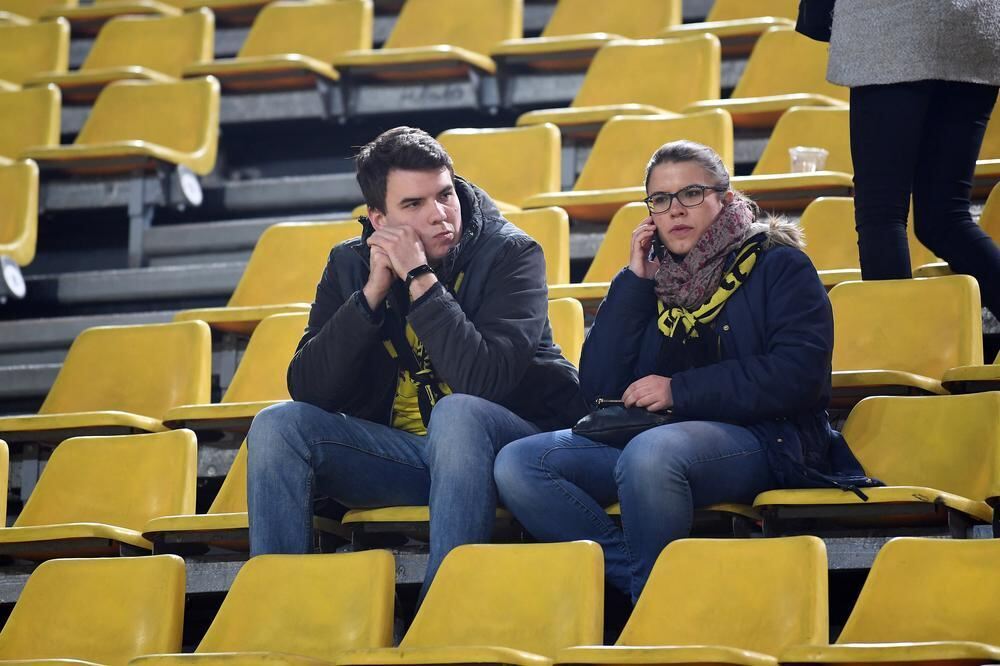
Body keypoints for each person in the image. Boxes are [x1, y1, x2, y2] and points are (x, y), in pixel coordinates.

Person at [494, 141, 874, 603]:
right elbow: (597, 390)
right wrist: (633, 284)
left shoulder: (779, 265)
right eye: (660, 199)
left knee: (652, 454)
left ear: (725, 199)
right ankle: (651, 592)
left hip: (767, 439)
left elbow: (800, 376)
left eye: (691, 194)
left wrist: (680, 390)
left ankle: (654, 607)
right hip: (656, 438)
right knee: (520, 463)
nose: (675, 210)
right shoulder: (653, 280)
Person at [246, 126, 587, 599]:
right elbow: (309, 388)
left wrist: (420, 278)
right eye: (414, 205)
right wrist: (371, 296)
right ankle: (276, 609)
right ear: (379, 218)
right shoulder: (350, 265)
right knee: (277, 426)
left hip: (509, 450)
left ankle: (445, 606)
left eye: (445, 195)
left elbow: (483, 381)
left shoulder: (511, 254)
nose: (440, 214)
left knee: (457, 412)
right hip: (407, 458)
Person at [827, 0, 1000, 318]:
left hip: (894, 24)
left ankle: (897, 346)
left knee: (882, 215)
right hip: (976, 26)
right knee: (945, 219)